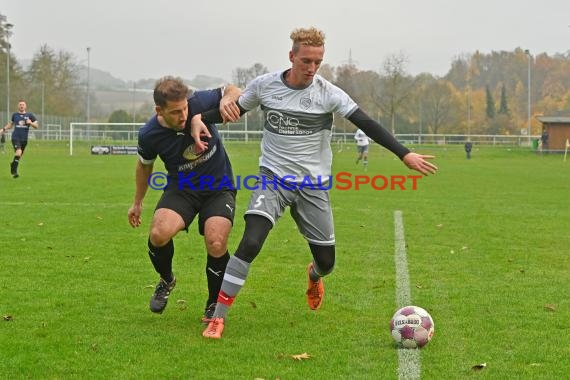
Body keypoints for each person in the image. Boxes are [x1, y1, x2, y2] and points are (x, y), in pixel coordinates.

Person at [197, 27, 438, 339]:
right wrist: (197, 117)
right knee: (251, 241)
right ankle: (219, 316)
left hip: (313, 187)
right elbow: (228, 111)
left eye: (317, 62)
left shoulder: (328, 93)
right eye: (306, 61)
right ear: (291, 56)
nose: (311, 68)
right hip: (273, 179)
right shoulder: (265, 86)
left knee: (327, 262)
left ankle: (313, 276)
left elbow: (366, 123)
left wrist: (404, 154)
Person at [127, 76, 241, 323]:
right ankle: (167, 280)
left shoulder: (197, 103)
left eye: (185, 109)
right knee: (158, 234)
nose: (183, 115)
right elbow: (144, 166)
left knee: (216, 240)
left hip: (218, 186)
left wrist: (225, 102)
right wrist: (137, 202)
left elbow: (232, 89)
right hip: (182, 188)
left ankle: (213, 304)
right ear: (159, 110)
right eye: (176, 112)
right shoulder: (149, 134)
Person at [1, 100, 39, 178]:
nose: (21, 106)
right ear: (18, 106)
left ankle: (13, 165)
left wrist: (30, 123)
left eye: (23, 104)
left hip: (24, 139)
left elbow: (36, 126)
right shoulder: (15, 115)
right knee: (18, 152)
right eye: (20, 104)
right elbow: (10, 124)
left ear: (25, 106)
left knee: (19, 155)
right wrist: (3, 129)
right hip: (15, 137)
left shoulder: (30, 115)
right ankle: (14, 171)